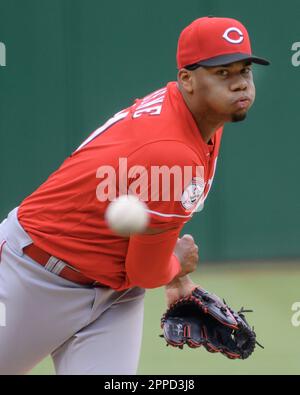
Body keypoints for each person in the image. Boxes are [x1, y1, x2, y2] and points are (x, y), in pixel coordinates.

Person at [0, 16, 269, 375]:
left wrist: (176, 279)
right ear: (186, 80)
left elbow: (146, 244)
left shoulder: (201, 121)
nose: (239, 84)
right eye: (222, 73)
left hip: (115, 291)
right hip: (34, 275)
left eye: (244, 71)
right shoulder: (171, 148)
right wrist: (176, 265)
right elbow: (145, 270)